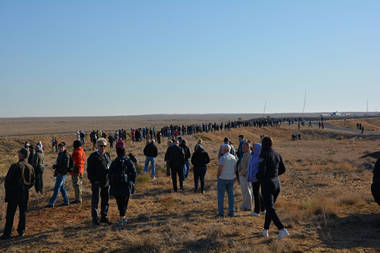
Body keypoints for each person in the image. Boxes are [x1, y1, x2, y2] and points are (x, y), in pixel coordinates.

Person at [256, 137, 289, 239]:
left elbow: (261, 172)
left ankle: (282, 229)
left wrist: (258, 176)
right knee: (270, 208)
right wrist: (274, 174)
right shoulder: (277, 154)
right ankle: (265, 230)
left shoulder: (263, 155)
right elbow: (283, 169)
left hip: (267, 184)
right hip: (276, 183)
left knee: (269, 208)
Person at [0, 148, 35, 240]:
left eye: (19, 153)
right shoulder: (30, 167)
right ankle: (21, 231)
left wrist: (9, 191)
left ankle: (7, 233)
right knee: (23, 212)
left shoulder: (15, 166)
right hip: (25, 192)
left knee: (10, 213)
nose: (18, 154)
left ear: (22, 155)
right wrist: (26, 188)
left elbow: (8, 181)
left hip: (14, 193)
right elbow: (32, 181)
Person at [109, 146, 137, 227]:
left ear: (117, 153)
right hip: (126, 185)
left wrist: (111, 184)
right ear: (124, 152)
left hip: (116, 186)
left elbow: (110, 173)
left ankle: (122, 217)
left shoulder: (114, 162)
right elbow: (134, 172)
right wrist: (132, 182)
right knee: (125, 202)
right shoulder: (128, 161)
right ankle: (122, 218)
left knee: (119, 203)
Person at [87, 138, 111, 225]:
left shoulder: (107, 155)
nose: (103, 147)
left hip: (106, 182)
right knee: (95, 201)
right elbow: (89, 171)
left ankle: (104, 217)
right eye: (101, 146)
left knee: (105, 200)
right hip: (97, 183)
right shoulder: (93, 157)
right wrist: (94, 180)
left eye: (105, 146)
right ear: (97, 146)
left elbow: (109, 166)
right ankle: (95, 218)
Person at [47, 142, 71, 208]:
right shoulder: (60, 154)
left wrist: (57, 166)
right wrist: (56, 166)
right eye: (59, 147)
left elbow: (66, 166)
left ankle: (51, 203)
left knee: (57, 188)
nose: (60, 149)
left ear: (64, 148)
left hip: (62, 173)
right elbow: (60, 164)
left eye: (62, 147)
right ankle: (66, 201)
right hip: (59, 173)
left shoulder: (66, 155)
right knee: (62, 188)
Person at [217, 144, 237, 217]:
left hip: (222, 178)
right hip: (231, 178)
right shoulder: (233, 157)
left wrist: (218, 176)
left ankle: (221, 212)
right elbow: (235, 169)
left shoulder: (223, 158)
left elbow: (220, 168)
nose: (221, 150)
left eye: (222, 149)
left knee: (221, 196)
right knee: (231, 196)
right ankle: (231, 211)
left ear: (225, 150)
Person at [248, 143, 265, 216]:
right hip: (253, 177)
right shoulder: (253, 155)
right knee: (257, 193)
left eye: (254, 147)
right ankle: (263, 209)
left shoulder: (260, 158)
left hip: (257, 178)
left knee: (256, 193)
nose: (252, 148)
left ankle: (257, 211)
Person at [238, 142, 253, 211]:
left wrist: (244, 172)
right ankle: (244, 204)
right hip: (242, 175)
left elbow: (249, 166)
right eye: (242, 147)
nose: (242, 148)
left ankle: (249, 206)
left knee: (248, 191)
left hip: (246, 175)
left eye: (244, 147)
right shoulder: (244, 154)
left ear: (248, 147)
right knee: (244, 191)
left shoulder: (250, 154)